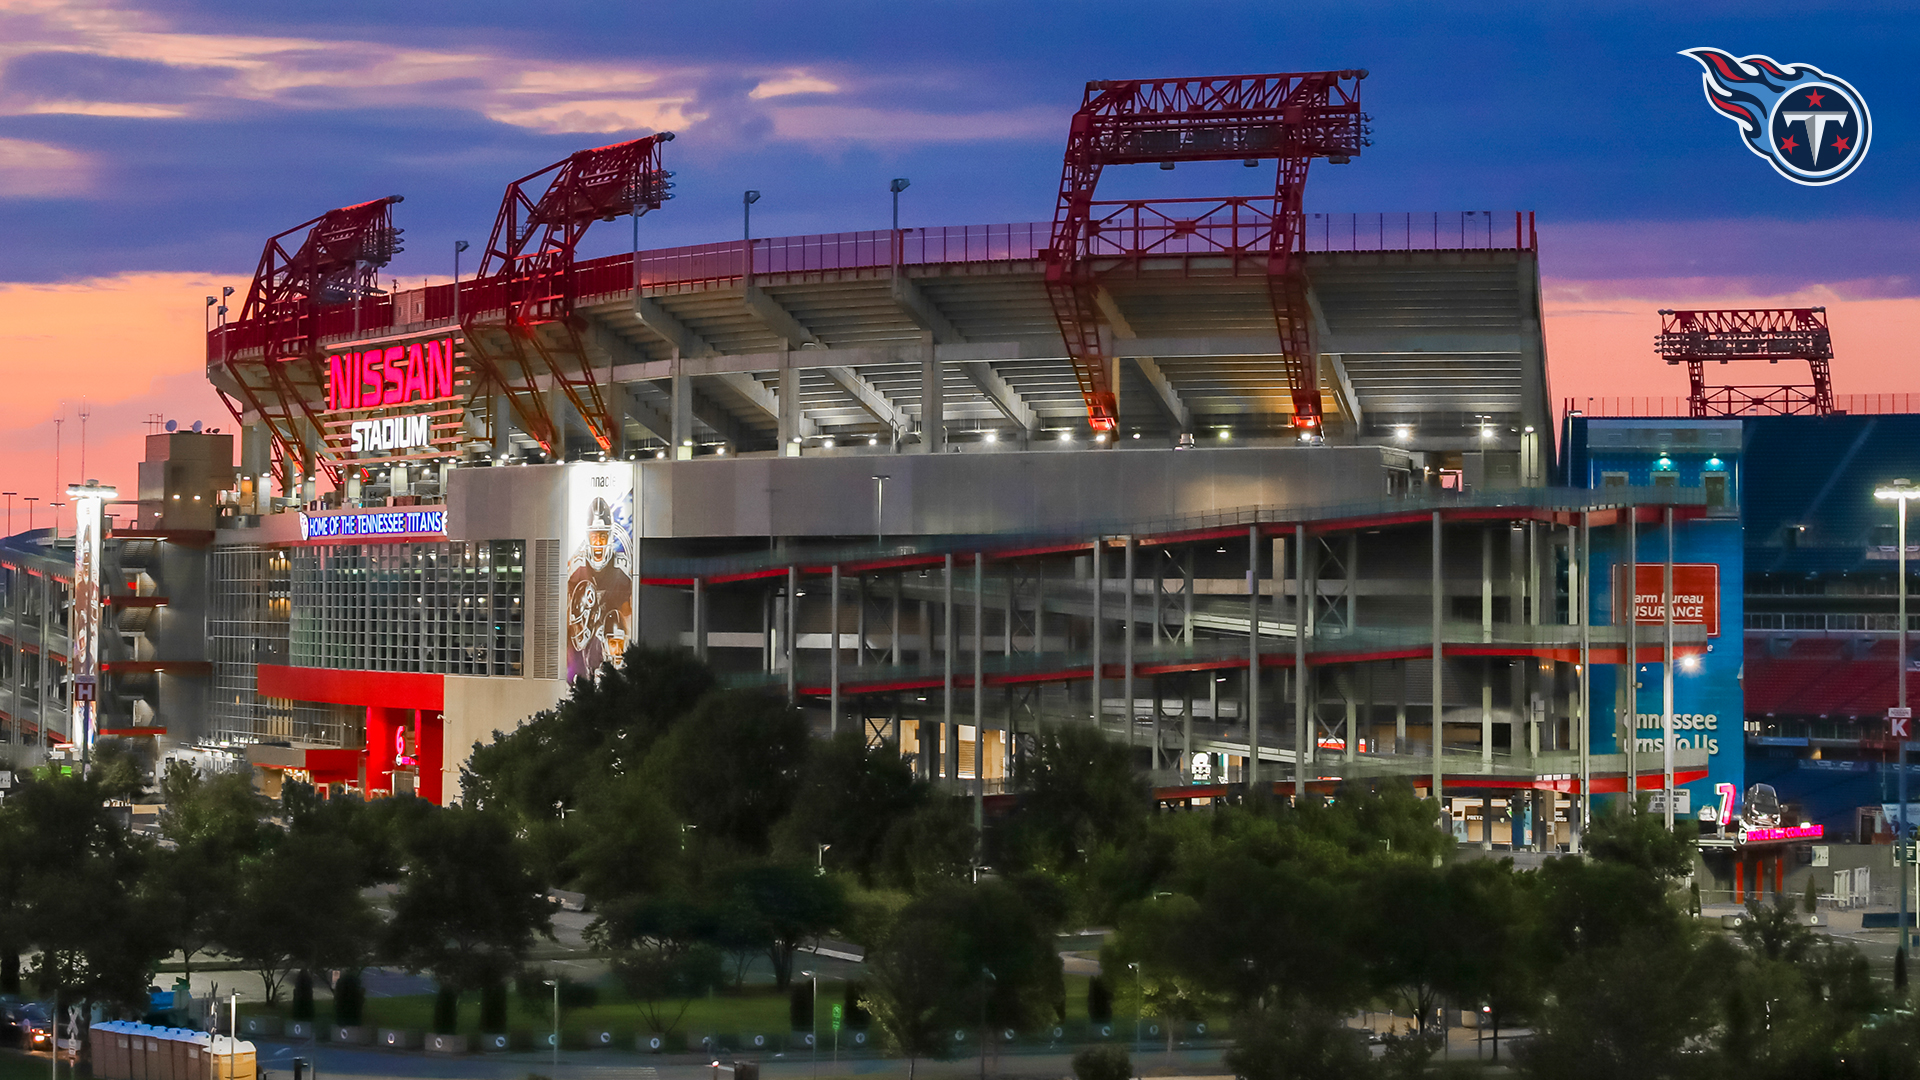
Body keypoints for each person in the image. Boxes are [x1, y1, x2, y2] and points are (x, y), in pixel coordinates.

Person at [566, 496, 632, 680]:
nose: (598, 543)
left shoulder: (622, 569)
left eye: (602, 536)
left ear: (609, 536)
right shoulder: (576, 568)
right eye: (594, 536)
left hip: (612, 632)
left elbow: (629, 611)